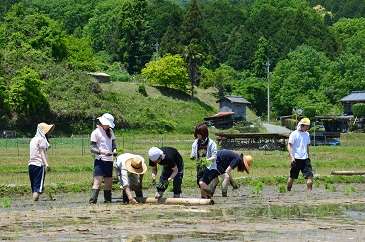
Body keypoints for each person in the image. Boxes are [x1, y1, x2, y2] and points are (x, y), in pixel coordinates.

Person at [89, 113, 118, 204]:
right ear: (102, 122)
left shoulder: (111, 132)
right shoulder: (96, 132)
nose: (108, 126)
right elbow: (92, 148)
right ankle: (93, 202)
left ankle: (108, 202)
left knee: (108, 185)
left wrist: (114, 150)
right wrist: (103, 152)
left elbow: (113, 144)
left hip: (109, 161)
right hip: (100, 161)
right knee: (97, 184)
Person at [28, 122, 55, 201]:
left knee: (34, 187)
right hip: (39, 165)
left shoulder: (33, 140)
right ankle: (35, 204)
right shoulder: (41, 140)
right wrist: (46, 164)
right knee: (37, 188)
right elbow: (42, 152)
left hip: (31, 165)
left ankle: (33, 204)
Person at [190, 123, 218, 198]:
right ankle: (206, 201)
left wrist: (206, 160)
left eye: (200, 134)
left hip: (210, 168)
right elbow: (193, 154)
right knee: (201, 189)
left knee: (202, 183)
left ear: (204, 133)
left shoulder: (211, 143)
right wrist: (192, 157)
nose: (198, 136)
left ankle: (210, 193)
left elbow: (214, 157)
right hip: (200, 168)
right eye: (197, 134)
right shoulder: (195, 143)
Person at [287, 117, 313, 192]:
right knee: (292, 176)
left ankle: (309, 192)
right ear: (302, 125)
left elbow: (307, 146)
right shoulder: (294, 134)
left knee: (309, 175)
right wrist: (292, 157)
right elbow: (289, 145)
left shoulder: (307, 134)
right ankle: (288, 191)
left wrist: (308, 156)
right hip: (296, 158)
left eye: (308, 126)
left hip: (305, 158)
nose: (308, 127)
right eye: (306, 126)